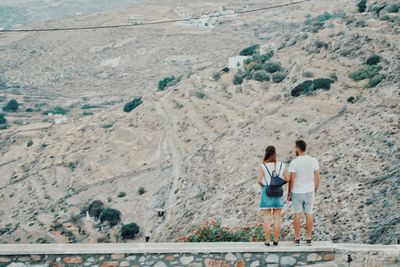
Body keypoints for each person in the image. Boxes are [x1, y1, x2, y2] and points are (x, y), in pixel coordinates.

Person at [288, 140, 320, 246]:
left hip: (297, 191)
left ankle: (297, 239)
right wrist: (314, 190)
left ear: (297, 148)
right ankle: (309, 238)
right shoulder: (313, 161)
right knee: (309, 214)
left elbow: (291, 180)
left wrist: (289, 193)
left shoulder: (294, 162)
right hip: (310, 191)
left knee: (297, 214)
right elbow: (317, 178)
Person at [257, 146, 290, 246]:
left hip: (266, 192)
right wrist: (279, 182)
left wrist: (265, 185)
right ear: (275, 153)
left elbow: (259, 180)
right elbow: (288, 178)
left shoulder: (263, 166)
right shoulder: (281, 165)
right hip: (278, 193)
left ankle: (267, 241)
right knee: (277, 218)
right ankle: (276, 240)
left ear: (266, 153)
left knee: (267, 218)